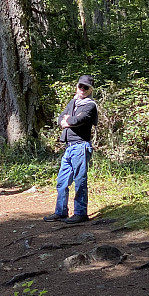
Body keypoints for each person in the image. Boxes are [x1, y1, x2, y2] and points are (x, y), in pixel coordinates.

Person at [43, 75, 98, 224]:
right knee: (62, 181)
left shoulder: (90, 105)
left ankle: (80, 213)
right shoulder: (73, 102)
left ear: (90, 90)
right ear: (77, 86)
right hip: (69, 147)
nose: (82, 89)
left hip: (81, 146)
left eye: (86, 87)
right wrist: (66, 120)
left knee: (80, 180)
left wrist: (68, 121)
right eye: (81, 86)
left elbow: (77, 120)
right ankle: (61, 212)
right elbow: (60, 118)